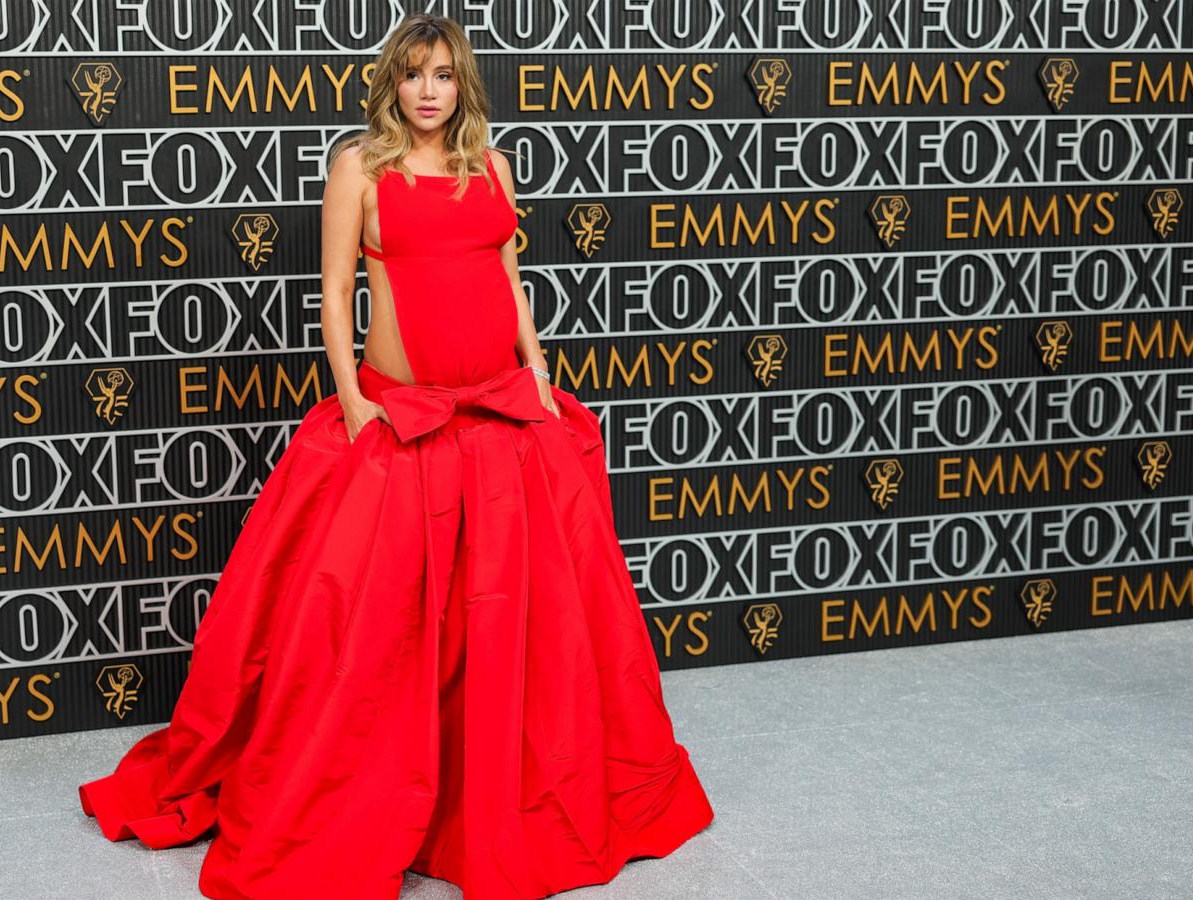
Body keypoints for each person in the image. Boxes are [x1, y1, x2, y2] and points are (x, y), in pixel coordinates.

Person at [78, 13, 715, 899]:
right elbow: (336, 288)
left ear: (464, 87)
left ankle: (482, 803)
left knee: (509, 629)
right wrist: (352, 402)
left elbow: (506, 276)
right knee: (379, 637)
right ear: (393, 83)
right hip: (401, 420)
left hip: (500, 422)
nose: (429, 90)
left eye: (445, 75)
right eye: (415, 74)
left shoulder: (491, 167)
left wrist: (537, 370)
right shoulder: (361, 169)